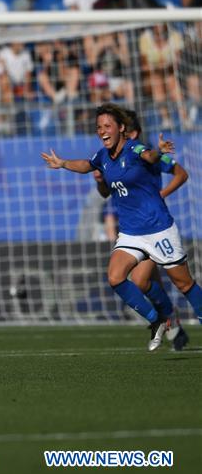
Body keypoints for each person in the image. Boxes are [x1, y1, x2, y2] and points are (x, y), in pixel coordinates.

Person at [41, 104, 202, 348]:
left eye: (107, 126)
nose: (102, 131)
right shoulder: (103, 157)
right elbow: (87, 165)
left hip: (158, 227)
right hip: (131, 232)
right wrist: (62, 163)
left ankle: (180, 322)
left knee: (184, 283)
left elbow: (152, 158)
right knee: (116, 277)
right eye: (99, 127)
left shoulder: (136, 148)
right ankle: (158, 320)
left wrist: (159, 154)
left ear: (122, 129)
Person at [91, 108, 189, 351]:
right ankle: (171, 321)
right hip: (131, 227)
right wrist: (101, 181)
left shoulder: (145, 154)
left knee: (142, 279)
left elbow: (180, 173)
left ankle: (169, 320)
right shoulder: (113, 158)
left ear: (131, 132)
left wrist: (163, 193)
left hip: (153, 225)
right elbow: (105, 194)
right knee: (144, 282)